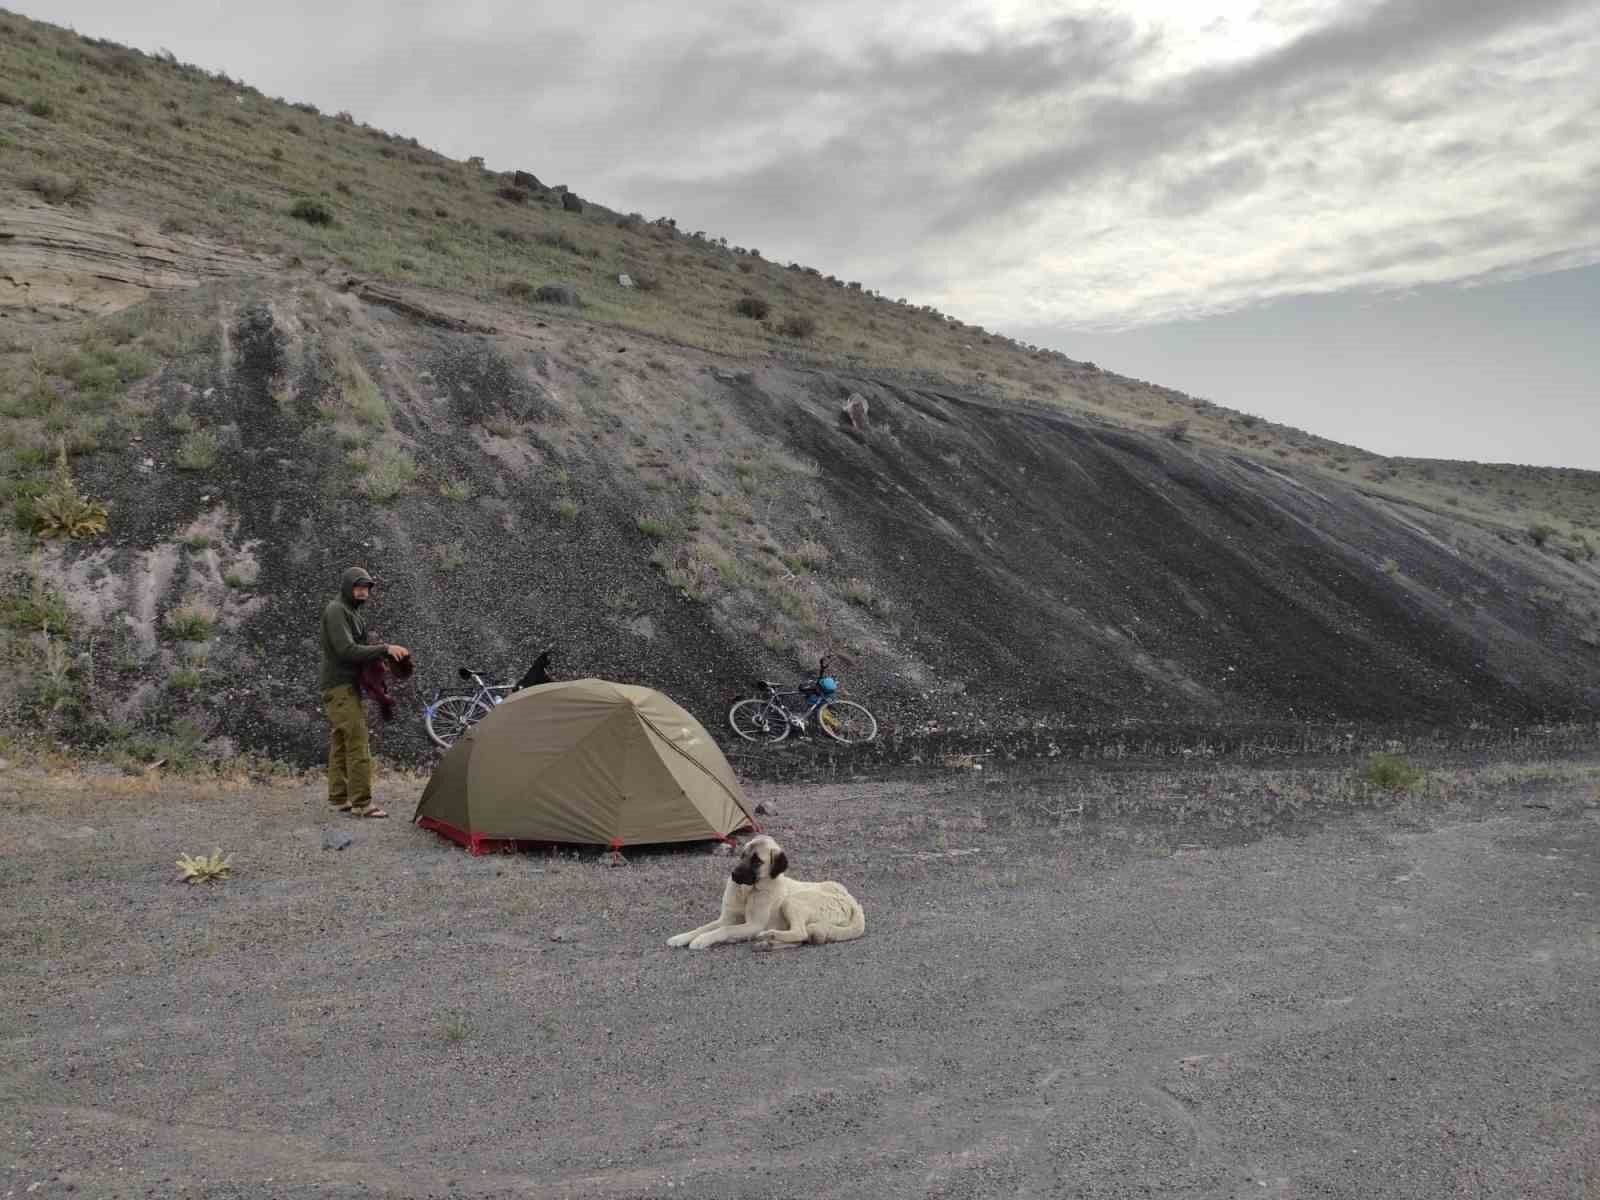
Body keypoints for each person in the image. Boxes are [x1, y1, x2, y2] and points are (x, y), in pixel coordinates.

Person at [320, 566, 408, 818]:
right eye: (358, 586)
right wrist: (384, 649)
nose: (363, 591)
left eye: (366, 587)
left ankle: (338, 798)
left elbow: (358, 650)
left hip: (345, 685)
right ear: (347, 586)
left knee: (341, 741)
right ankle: (362, 803)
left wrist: (379, 666)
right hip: (339, 686)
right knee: (358, 742)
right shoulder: (337, 610)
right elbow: (346, 650)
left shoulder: (352, 613)